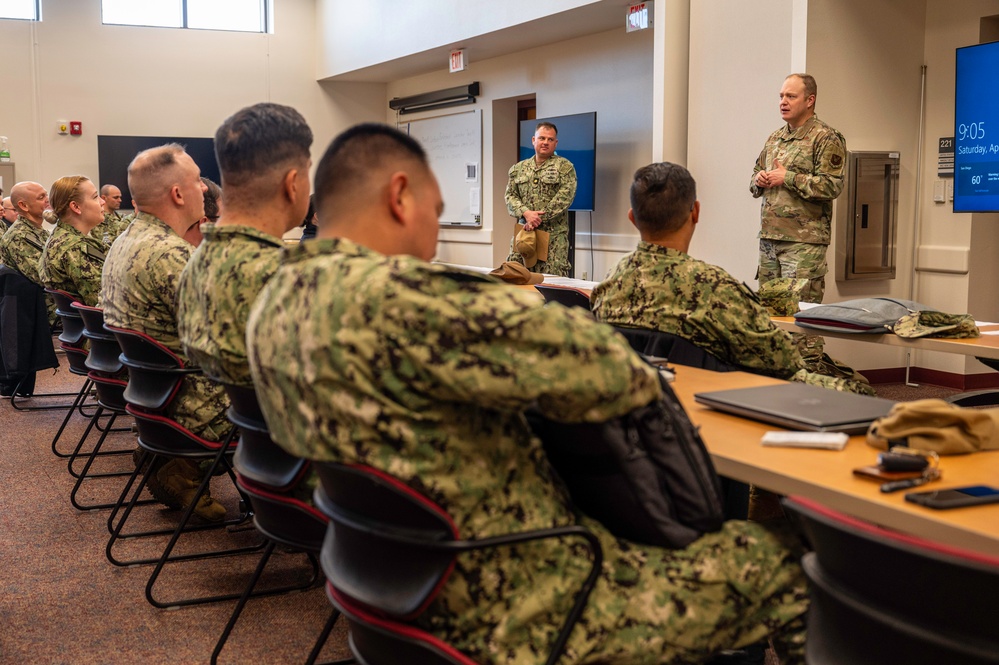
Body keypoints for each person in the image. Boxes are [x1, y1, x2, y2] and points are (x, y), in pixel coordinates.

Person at [247, 123, 808, 664]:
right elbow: (612, 371)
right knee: (784, 566)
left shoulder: (277, 299)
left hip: (386, 582)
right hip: (516, 595)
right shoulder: (423, 307)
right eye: (437, 211)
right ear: (400, 196)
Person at [592, 162, 872, 395]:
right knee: (861, 391)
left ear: (632, 218)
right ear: (696, 212)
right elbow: (783, 361)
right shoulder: (715, 288)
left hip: (644, 409)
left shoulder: (608, 286)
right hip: (723, 403)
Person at [99, 144, 228, 522]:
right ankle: (185, 468)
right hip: (196, 400)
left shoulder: (124, 242)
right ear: (177, 193)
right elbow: (231, 338)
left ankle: (165, 456)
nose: (203, 189)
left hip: (156, 398)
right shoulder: (172, 254)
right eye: (196, 181)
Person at [178, 102, 312, 389]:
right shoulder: (287, 278)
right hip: (254, 428)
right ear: (293, 183)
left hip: (206, 421)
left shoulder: (196, 255)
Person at [750, 73, 846, 304]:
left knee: (802, 323)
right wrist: (759, 180)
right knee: (770, 319)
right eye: (781, 96)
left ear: (809, 100)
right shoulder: (775, 137)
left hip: (803, 244)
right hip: (770, 240)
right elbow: (755, 174)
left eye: (791, 96)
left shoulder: (826, 138)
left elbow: (832, 186)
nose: (783, 101)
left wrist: (789, 178)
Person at [505, 121, 577, 276]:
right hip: (524, 235)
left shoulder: (565, 167)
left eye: (550, 139)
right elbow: (510, 196)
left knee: (551, 284)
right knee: (517, 278)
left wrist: (536, 218)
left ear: (555, 143)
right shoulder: (518, 169)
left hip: (553, 238)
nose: (545, 142)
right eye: (542, 138)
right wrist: (526, 213)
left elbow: (565, 197)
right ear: (533, 140)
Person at [38, 176, 107, 306]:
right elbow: (103, 303)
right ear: (76, 207)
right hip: (90, 323)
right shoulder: (75, 248)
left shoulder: (62, 236)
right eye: (95, 197)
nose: (102, 201)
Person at [0, 181, 51, 285]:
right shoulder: (18, 237)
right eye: (41, 197)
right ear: (23, 205)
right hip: (44, 300)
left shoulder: (39, 231)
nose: (48, 200)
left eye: (46, 195)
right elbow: (46, 279)